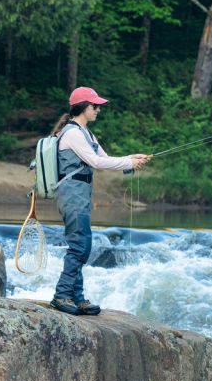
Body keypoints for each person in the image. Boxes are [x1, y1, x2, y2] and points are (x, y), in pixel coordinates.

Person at [49, 86, 152, 316]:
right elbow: (96, 162)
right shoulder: (72, 133)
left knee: (82, 243)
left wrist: (132, 159)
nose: (98, 109)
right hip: (72, 194)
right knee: (80, 245)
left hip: (81, 193)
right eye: (95, 106)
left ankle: (77, 297)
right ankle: (62, 295)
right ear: (83, 107)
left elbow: (104, 159)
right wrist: (128, 163)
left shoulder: (87, 134)